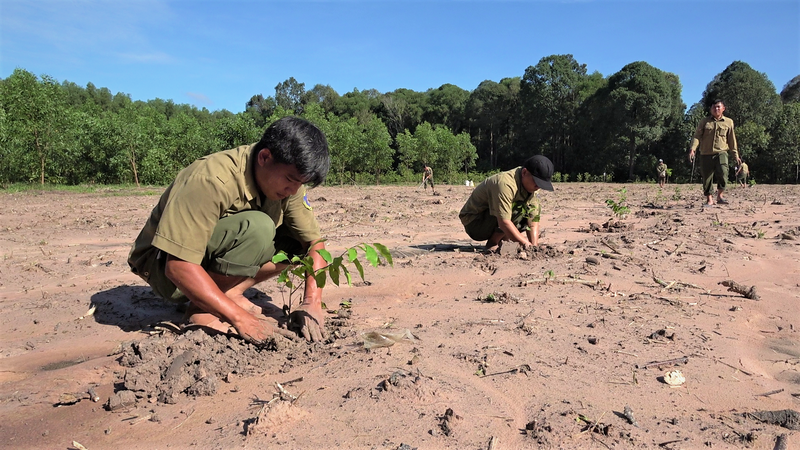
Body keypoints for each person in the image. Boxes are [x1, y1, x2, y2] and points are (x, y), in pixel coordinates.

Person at [128, 117, 330, 344]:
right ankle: (202, 310)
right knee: (259, 227)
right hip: (162, 267)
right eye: (290, 180)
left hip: (205, 256)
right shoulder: (211, 179)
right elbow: (177, 266)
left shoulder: (289, 183)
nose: (294, 190)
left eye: (300, 183)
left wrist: (312, 302)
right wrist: (240, 319)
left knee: (296, 246)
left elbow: (315, 245)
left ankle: (228, 293)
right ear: (264, 157)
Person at [459, 155, 554, 251]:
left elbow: (533, 220)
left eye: (541, 184)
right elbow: (504, 222)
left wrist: (534, 247)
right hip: (475, 222)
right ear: (524, 172)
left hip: (492, 220)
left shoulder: (532, 188)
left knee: (527, 210)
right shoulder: (505, 184)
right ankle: (493, 243)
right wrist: (526, 245)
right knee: (518, 209)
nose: (538, 186)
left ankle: (503, 240)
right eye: (536, 182)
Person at [689, 99, 741, 206]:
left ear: (723, 109)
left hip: (721, 152)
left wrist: (736, 155)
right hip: (705, 153)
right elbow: (697, 136)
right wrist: (693, 149)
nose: (716, 109)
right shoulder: (704, 122)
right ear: (710, 109)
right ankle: (709, 199)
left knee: (723, 173)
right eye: (714, 107)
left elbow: (732, 140)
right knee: (707, 177)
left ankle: (720, 196)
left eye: (718, 107)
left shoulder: (729, 122)